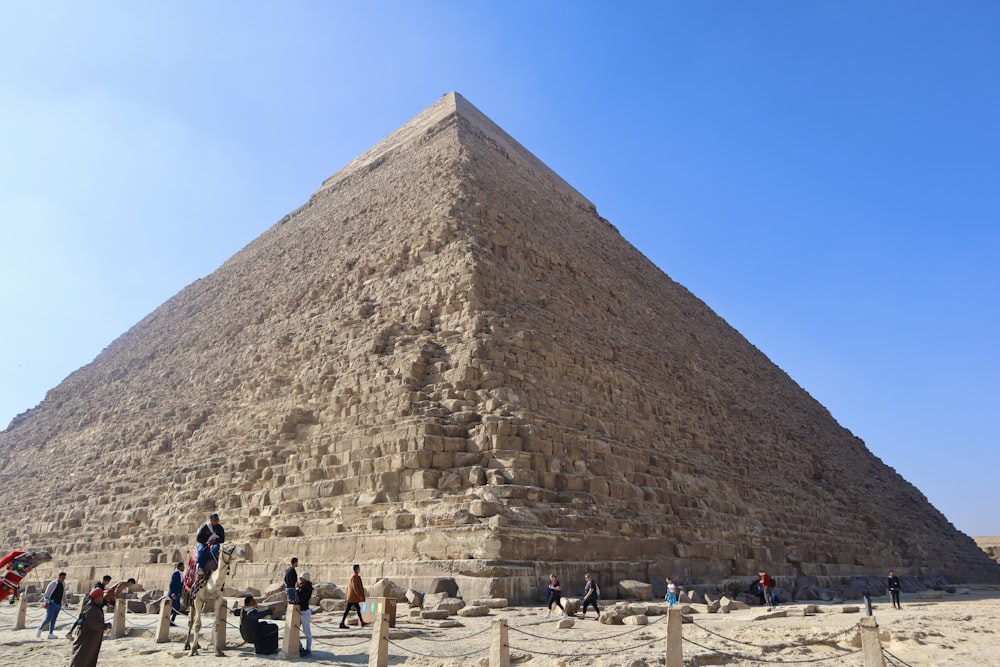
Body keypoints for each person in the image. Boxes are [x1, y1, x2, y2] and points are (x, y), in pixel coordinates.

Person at [70, 587, 111, 667]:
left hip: (91, 639)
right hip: (87, 638)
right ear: (97, 598)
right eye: (101, 596)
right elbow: (94, 625)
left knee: (88, 658)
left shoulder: (95, 607)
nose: (103, 598)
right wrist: (106, 626)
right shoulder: (91, 609)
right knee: (81, 658)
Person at [36, 572, 67, 639]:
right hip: (51, 604)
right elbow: (46, 594)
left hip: (58, 604)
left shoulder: (63, 584)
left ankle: (50, 633)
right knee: (48, 618)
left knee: (54, 619)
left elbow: (63, 594)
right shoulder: (52, 584)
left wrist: (65, 602)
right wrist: (46, 602)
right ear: (59, 577)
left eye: (64, 578)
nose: (63, 579)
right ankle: (39, 629)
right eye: (62, 578)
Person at [340, 564, 368, 629]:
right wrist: (359, 595)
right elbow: (355, 587)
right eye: (358, 568)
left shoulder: (352, 576)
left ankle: (361, 621)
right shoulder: (355, 577)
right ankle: (342, 622)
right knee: (350, 609)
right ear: (356, 569)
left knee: (356, 609)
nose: (359, 569)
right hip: (353, 597)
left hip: (351, 596)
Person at [297, 571, 314, 656]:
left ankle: (308, 649)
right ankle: (300, 647)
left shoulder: (307, 588)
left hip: (304, 611)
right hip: (299, 611)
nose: (300, 579)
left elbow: (301, 599)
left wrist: (297, 591)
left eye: (301, 578)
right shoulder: (302, 587)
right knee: (294, 630)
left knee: (306, 631)